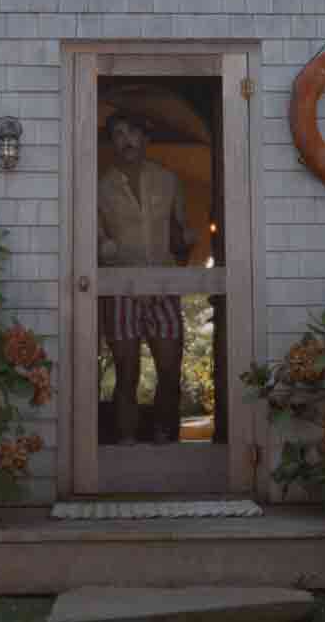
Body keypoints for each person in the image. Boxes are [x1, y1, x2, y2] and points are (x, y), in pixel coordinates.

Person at [97, 111, 196, 445]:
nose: (126, 140)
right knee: (126, 373)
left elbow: (179, 234)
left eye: (132, 132)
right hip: (120, 288)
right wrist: (104, 247)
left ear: (145, 138)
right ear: (112, 143)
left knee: (169, 370)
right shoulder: (101, 187)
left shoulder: (168, 180)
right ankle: (126, 443)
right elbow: (94, 240)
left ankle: (165, 438)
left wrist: (185, 243)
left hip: (164, 286)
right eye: (118, 134)